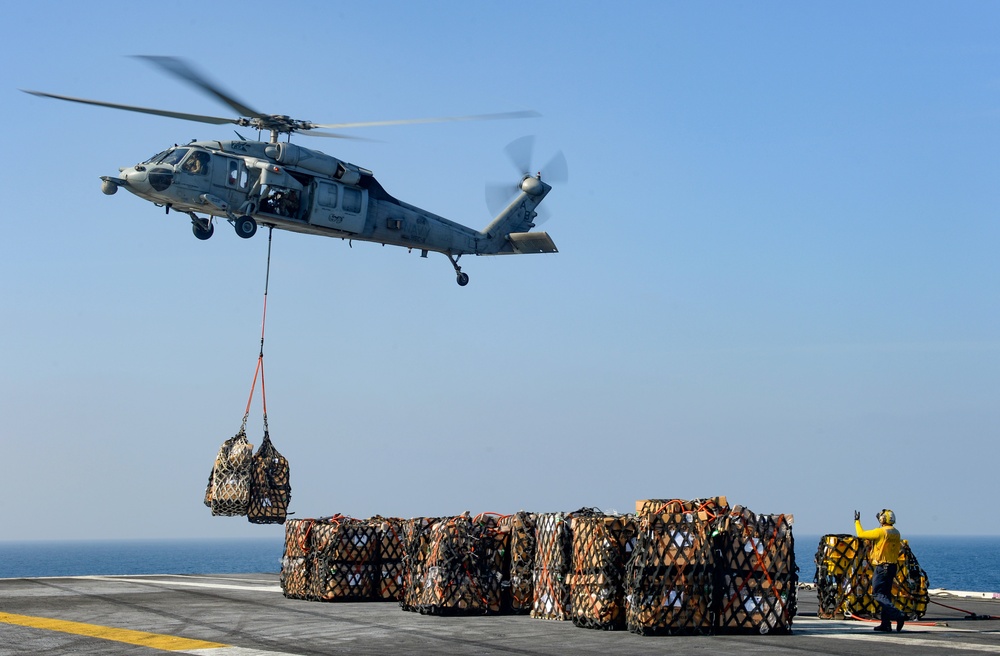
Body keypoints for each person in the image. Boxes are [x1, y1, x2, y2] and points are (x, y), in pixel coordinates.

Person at [855, 508, 906, 632]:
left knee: (877, 594)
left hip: (882, 567)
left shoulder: (880, 532)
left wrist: (857, 521)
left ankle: (898, 615)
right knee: (886, 595)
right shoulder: (896, 532)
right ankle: (886, 624)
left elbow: (860, 534)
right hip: (892, 567)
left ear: (883, 519)